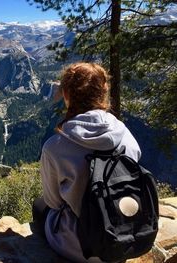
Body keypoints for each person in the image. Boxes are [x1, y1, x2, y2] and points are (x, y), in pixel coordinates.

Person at [33, 62, 141, 262]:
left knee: (40, 206)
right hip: (123, 239)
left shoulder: (55, 146)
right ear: (104, 92)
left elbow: (54, 202)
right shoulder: (125, 134)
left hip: (79, 246)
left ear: (66, 95)